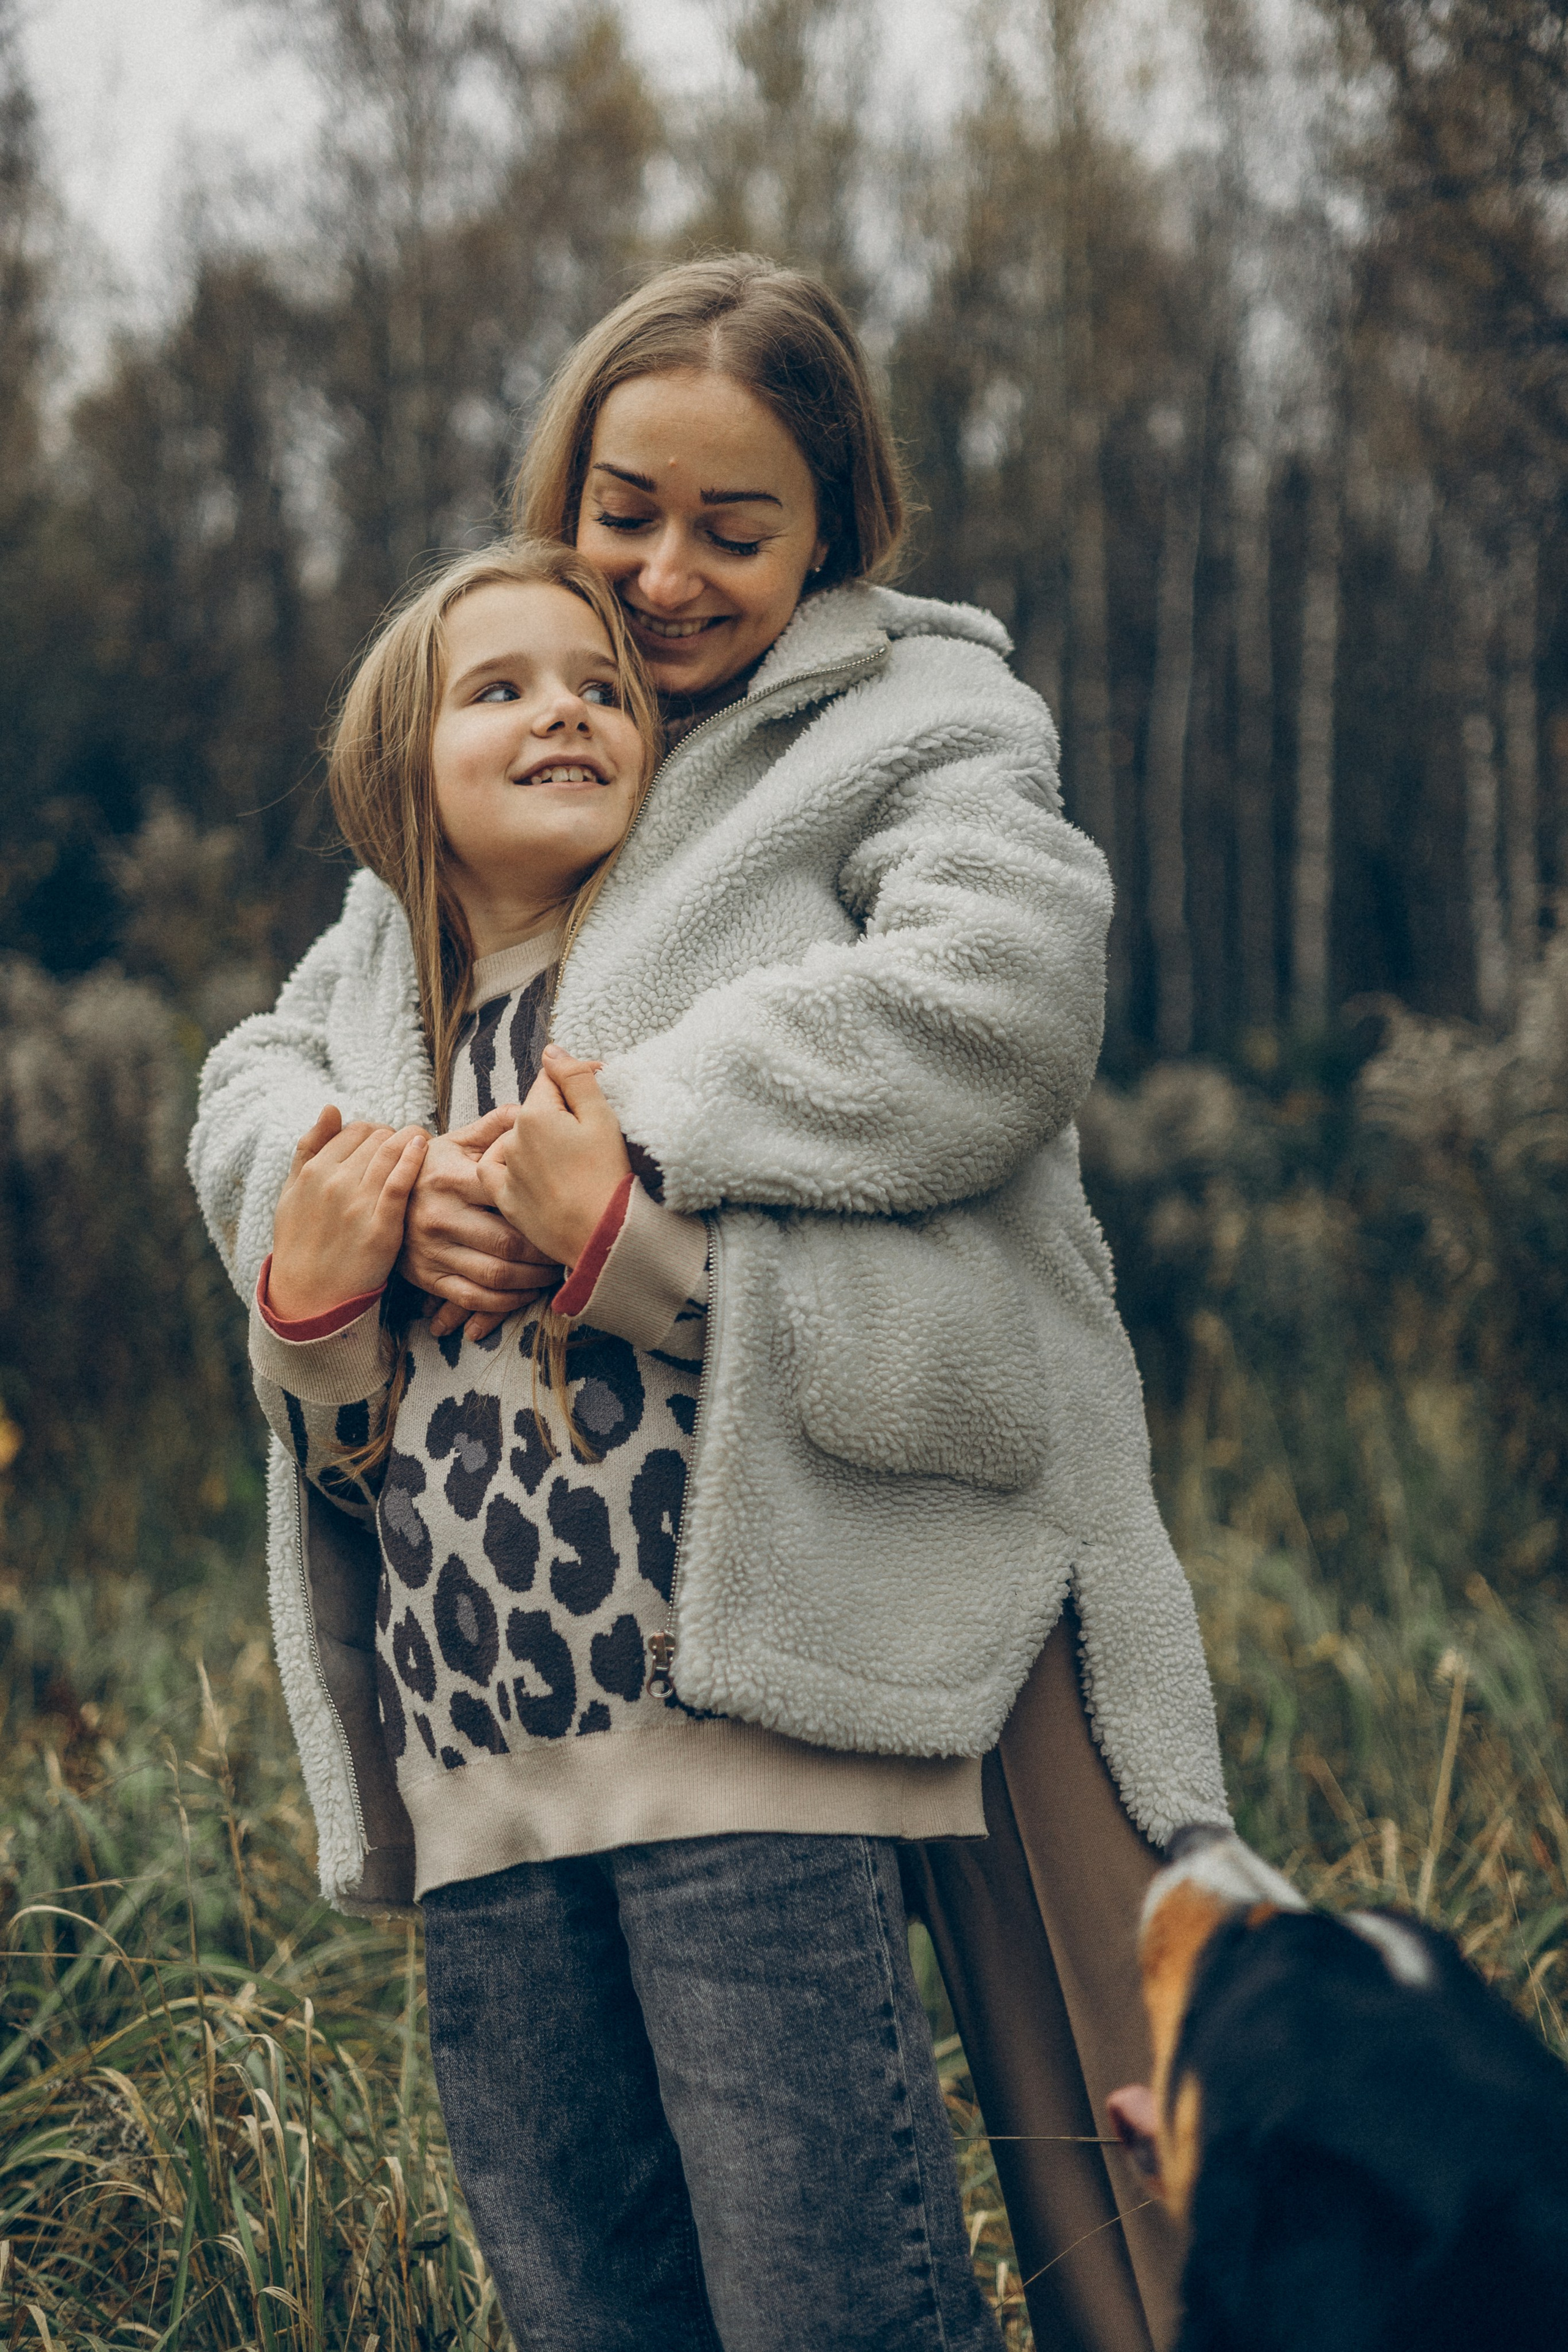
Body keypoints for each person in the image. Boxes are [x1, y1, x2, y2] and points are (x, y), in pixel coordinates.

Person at [190, 254, 1231, 2352]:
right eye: (623, 509)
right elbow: (272, 1069)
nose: (660, 580)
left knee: (980, 2222)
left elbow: (997, 999)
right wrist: (343, 1233)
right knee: (591, 2276)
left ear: (833, 527)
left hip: (809, 1634)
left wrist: (609, 1147)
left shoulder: (913, 726)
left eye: (733, 530)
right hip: (494, 1739)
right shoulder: (495, 782)